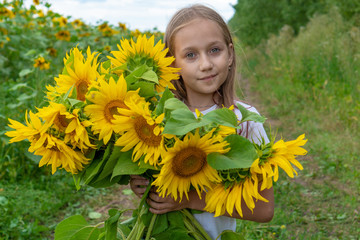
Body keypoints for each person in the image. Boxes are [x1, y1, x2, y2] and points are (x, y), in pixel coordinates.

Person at [130, 4, 274, 239]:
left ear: (230, 54)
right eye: (190, 55)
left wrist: (188, 200)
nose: (205, 64)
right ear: (172, 63)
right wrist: (144, 188)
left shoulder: (244, 121)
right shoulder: (157, 119)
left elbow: (264, 209)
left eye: (214, 50)